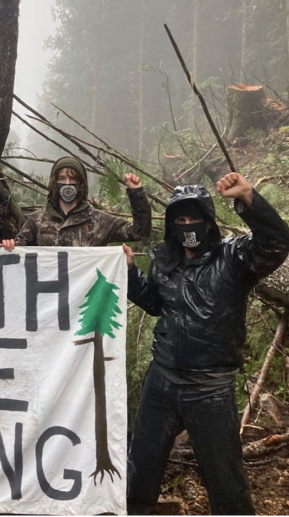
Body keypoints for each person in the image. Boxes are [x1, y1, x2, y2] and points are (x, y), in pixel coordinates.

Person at [122, 172, 289, 515]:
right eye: (180, 219)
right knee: (140, 466)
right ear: (171, 224)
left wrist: (249, 199)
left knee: (225, 479)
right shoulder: (163, 260)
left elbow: (276, 244)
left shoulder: (234, 257)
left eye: (194, 217)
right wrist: (127, 273)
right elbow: (154, 304)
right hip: (162, 377)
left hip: (210, 386)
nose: (187, 225)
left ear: (208, 220)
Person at [0, 155, 151, 250]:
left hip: (85, 298)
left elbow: (140, 232)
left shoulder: (100, 221)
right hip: (50, 297)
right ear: (54, 182)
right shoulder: (37, 220)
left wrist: (136, 193)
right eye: (61, 179)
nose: (67, 184)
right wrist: (8, 246)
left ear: (81, 184)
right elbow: (17, 251)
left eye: (73, 179)